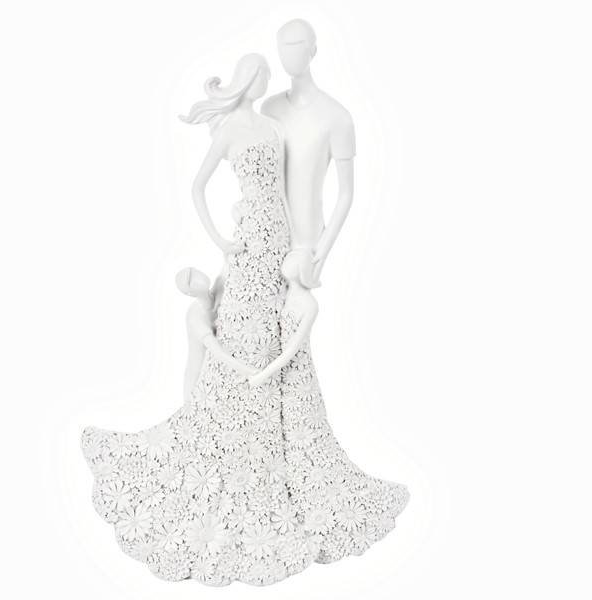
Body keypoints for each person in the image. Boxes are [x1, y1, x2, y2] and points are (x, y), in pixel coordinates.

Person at [81, 53, 321, 586]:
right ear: (248, 79)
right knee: (241, 323)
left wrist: (293, 241)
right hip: (246, 238)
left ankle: (269, 422)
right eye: (260, 74)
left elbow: (282, 193)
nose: (265, 81)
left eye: (267, 76)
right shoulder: (232, 127)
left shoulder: (273, 127)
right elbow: (198, 187)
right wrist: (220, 239)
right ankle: (230, 415)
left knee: (269, 327)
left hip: (276, 236)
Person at [249, 249, 411, 563]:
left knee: (303, 430)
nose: (287, 266)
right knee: (284, 430)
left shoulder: (309, 304)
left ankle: (311, 486)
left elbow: (292, 349)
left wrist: (264, 374)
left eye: (293, 263)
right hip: (279, 375)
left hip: (296, 373)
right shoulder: (284, 295)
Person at [262, 18, 356, 281]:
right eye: (283, 47)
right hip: (268, 234)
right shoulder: (269, 109)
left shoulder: (337, 118)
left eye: (297, 46)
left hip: (307, 242)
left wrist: (322, 250)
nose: (289, 54)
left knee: (300, 305)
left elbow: (346, 193)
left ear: (313, 51)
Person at [175, 266, 255, 402]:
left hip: (219, 366)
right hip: (198, 373)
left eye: (193, 271)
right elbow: (218, 352)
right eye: (190, 279)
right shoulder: (195, 316)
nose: (197, 275)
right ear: (190, 293)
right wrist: (249, 372)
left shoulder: (219, 286)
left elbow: (229, 265)